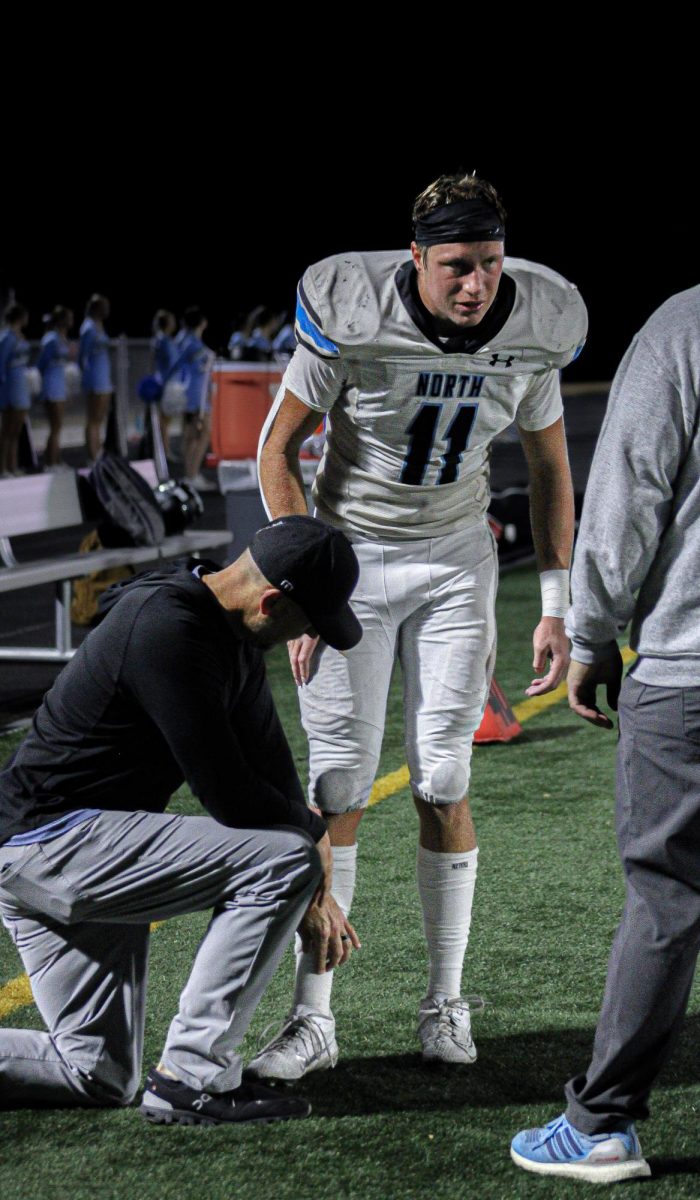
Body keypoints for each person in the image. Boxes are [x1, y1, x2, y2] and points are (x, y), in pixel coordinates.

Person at [251, 172, 588, 1080]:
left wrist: (555, 605)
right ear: (415, 259)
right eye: (455, 267)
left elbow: (551, 468)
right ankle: (313, 1018)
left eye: (488, 263)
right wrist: (306, 579)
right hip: (348, 559)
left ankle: (445, 1000)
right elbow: (274, 449)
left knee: (443, 776)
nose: (476, 284)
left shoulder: (535, 325)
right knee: (338, 784)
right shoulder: (352, 311)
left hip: (453, 564)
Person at [0, 516, 362, 1126]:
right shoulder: (167, 629)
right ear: (272, 602)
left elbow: (270, 763)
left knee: (97, 1074)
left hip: (65, 855)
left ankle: (176, 1078)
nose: (315, 637)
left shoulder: (230, 630)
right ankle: (193, 1077)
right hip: (52, 844)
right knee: (282, 857)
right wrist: (314, 841)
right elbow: (230, 796)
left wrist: (314, 867)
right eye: (312, 622)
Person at [511, 286, 700, 1183]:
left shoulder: (684, 327)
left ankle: (602, 1123)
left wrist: (590, 636)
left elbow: (629, 489)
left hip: (691, 669)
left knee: (668, 893)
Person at [165, 306, 215, 491]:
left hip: (189, 393)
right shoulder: (192, 343)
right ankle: (192, 474)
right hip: (196, 395)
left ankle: (190, 473)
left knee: (189, 433)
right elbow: (199, 366)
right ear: (202, 323)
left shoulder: (182, 340)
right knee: (200, 434)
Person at [37, 305, 74, 469]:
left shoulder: (61, 338)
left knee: (58, 426)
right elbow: (41, 364)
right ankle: (50, 462)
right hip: (52, 386)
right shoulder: (51, 339)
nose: (71, 320)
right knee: (55, 426)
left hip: (60, 386)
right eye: (68, 317)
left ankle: (56, 460)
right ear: (61, 320)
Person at [79, 294, 113, 462]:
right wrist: (87, 379)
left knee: (99, 419)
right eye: (104, 306)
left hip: (103, 378)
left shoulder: (99, 326)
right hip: (95, 380)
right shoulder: (88, 327)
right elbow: (82, 356)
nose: (107, 310)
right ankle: (93, 456)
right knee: (93, 418)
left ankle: (97, 451)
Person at [0, 301, 31, 477]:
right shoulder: (6, 338)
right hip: (10, 387)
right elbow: (1, 364)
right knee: (6, 431)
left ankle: (13, 466)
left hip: (21, 386)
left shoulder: (20, 336)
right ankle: (2, 468)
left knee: (16, 431)